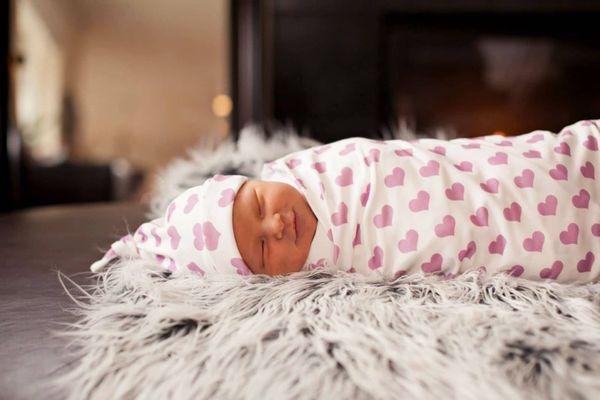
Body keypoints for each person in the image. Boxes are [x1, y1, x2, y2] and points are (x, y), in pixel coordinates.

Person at [91, 119, 600, 283]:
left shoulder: (312, 172)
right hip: (510, 238)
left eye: (258, 207)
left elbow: (408, 159)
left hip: (493, 170)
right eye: (262, 253)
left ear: (252, 180)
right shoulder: (329, 268)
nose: (275, 227)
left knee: (549, 162)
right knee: (557, 234)